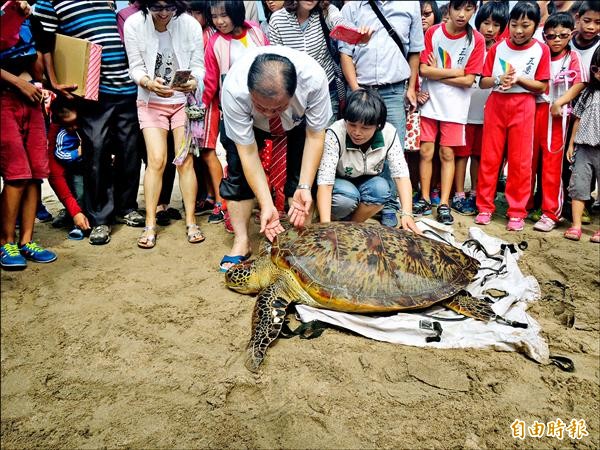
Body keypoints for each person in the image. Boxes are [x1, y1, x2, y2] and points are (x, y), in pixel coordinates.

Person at [34, 0, 145, 245]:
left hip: (126, 85)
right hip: (93, 90)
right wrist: (53, 83)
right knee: (96, 152)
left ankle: (126, 207)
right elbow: (45, 44)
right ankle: (100, 218)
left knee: (130, 150)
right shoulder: (48, 2)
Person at [218, 46, 331, 272]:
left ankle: (301, 243)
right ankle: (241, 241)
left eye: (278, 107)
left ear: (294, 91)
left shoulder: (314, 80)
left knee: (301, 178)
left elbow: (315, 135)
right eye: (261, 106)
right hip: (250, 127)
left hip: (298, 125)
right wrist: (266, 204)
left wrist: (305, 186)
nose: (269, 113)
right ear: (249, 92)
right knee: (238, 175)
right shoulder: (234, 89)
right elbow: (248, 153)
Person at [124, 0, 205, 248]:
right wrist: (148, 82)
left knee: (185, 161)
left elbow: (199, 67)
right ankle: (150, 224)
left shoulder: (190, 24)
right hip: (150, 101)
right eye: (157, 7)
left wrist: (193, 82)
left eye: (169, 7)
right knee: (156, 160)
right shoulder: (134, 24)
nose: (163, 13)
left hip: (183, 101)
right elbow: (135, 67)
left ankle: (191, 221)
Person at [339, 1, 425, 228]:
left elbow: (415, 50)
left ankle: (389, 206)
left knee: (391, 148)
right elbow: (345, 53)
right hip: (361, 88)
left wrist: (410, 88)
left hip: (394, 89)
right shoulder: (352, 7)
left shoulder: (410, 5)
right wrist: (356, 90)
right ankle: (356, 198)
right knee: (354, 142)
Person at [475, 1, 551, 231]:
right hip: (497, 102)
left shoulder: (541, 49)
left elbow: (542, 86)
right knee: (490, 157)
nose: (519, 30)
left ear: (536, 26)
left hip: (524, 105)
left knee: (520, 161)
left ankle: (517, 211)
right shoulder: (499, 47)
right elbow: (483, 81)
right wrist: (500, 79)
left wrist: (519, 80)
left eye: (525, 25)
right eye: (515, 24)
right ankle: (484, 207)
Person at [415, 0, 485, 225]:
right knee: (426, 151)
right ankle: (424, 197)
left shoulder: (476, 40)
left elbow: (468, 80)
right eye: (457, 8)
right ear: (449, 9)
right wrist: (454, 71)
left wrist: (437, 73)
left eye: (468, 9)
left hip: (455, 108)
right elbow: (423, 69)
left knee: (447, 154)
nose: (462, 15)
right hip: (429, 103)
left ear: (474, 10)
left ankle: (444, 203)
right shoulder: (433, 33)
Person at [203, 0, 269, 227]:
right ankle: (236, 216)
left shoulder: (256, 33)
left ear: (236, 13)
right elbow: (211, 81)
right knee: (236, 164)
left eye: (224, 15)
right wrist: (200, 104)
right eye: (214, 16)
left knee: (262, 161)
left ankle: (265, 207)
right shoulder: (215, 42)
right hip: (232, 115)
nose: (219, 21)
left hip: (263, 114)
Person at [1, 1, 57, 268]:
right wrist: (17, 82)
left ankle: (27, 241)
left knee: (36, 173)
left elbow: (38, 70)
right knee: (17, 174)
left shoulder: (30, 19)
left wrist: (35, 79)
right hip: (4, 100)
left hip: (33, 101)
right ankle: (6, 242)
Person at [316, 88, 419, 233]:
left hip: (369, 183)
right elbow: (325, 183)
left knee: (382, 189)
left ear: (378, 126)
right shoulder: (335, 133)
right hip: (340, 185)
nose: (357, 132)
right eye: (352, 125)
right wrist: (325, 227)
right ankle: (332, 223)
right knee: (346, 198)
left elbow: (401, 175)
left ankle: (350, 227)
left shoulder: (389, 133)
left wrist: (407, 214)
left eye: (365, 127)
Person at [268, 0, 372, 123]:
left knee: (325, 138)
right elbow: (276, 61)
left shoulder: (326, 11)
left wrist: (358, 35)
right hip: (294, 95)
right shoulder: (278, 20)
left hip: (326, 90)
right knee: (300, 139)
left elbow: (339, 23)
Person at [529, 12, 585, 232]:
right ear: (544, 36)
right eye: (552, 36)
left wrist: (559, 102)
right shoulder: (539, 53)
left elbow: (580, 82)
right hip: (533, 110)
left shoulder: (572, 56)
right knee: (528, 161)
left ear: (571, 34)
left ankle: (551, 212)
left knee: (552, 164)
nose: (557, 40)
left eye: (562, 35)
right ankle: (523, 206)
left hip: (557, 116)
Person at [452, 1, 508, 216]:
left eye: (496, 25)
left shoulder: (502, 50)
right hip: (464, 110)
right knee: (461, 154)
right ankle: (459, 194)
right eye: (486, 23)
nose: (490, 29)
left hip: (488, 115)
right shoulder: (469, 44)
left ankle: (476, 192)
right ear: (478, 22)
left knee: (479, 155)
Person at [564, 46, 600, 242]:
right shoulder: (587, 92)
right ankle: (576, 225)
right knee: (578, 186)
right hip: (583, 147)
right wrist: (571, 145)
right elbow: (576, 118)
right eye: (596, 68)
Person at [46, 97, 92, 240]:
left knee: (85, 193)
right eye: (68, 125)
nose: (74, 127)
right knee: (78, 193)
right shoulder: (61, 135)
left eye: (75, 123)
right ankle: (76, 221)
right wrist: (75, 153)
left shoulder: (85, 127)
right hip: (73, 170)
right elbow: (58, 156)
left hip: (86, 167)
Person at [571, 0, 600, 71]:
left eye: (598, 23)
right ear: (578, 18)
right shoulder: (565, 41)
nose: (591, 27)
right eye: (587, 21)